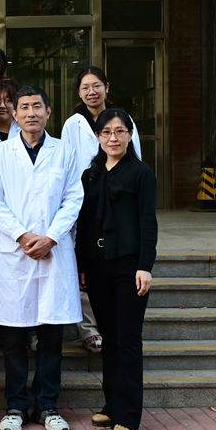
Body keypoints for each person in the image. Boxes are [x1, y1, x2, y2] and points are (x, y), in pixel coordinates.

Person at [0, 86, 83, 430]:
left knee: (51, 337)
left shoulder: (65, 151)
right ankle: (15, 405)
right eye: (23, 107)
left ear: (48, 112)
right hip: (15, 253)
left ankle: (47, 406)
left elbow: (74, 198)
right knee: (13, 338)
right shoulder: (0, 154)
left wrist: (51, 237)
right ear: (14, 114)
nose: (30, 113)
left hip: (53, 251)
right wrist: (22, 236)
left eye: (37, 107)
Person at [76, 108, 156, 430]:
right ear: (98, 137)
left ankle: (128, 416)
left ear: (130, 135)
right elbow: (84, 222)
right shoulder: (90, 174)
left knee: (127, 339)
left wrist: (145, 266)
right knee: (109, 337)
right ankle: (111, 404)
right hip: (97, 264)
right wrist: (81, 264)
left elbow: (148, 222)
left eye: (120, 131)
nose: (113, 138)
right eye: (106, 132)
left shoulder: (141, 173)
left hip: (129, 265)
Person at [61, 66, 142, 353]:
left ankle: (115, 323)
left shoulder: (123, 118)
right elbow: (66, 163)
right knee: (85, 258)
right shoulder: (73, 123)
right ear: (79, 93)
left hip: (118, 196)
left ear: (106, 87)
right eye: (85, 87)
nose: (91, 92)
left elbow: (135, 156)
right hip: (85, 195)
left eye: (96, 86)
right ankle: (89, 328)